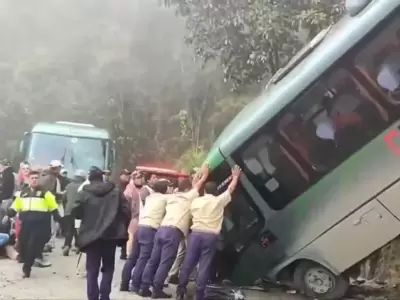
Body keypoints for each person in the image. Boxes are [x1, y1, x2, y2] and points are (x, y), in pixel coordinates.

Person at [139, 165, 209, 298]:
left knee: (153, 260)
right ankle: (157, 289)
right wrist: (204, 175)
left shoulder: (171, 196)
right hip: (172, 232)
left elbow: (193, 186)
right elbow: (197, 186)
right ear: (188, 190)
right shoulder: (188, 198)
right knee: (165, 262)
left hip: (161, 230)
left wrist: (194, 178)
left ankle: (144, 286)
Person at [176, 166, 241, 300]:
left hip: (195, 235)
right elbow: (230, 189)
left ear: (204, 191)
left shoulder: (196, 201)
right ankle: (199, 295)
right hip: (210, 237)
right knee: (204, 265)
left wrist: (202, 175)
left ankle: (180, 291)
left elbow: (194, 188)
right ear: (216, 191)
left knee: (188, 263)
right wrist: (235, 177)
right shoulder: (218, 201)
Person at [71, 166, 130, 300]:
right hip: (111, 235)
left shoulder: (84, 193)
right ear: (102, 177)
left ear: (89, 179)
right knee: (108, 267)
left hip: (91, 237)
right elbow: (126, 211)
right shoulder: (116, 192)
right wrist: (120, 226)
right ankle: (105, 295)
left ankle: (92, 297)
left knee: (92, 270)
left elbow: (75, 212)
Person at [3, 169, 61, 278]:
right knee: (23, 245)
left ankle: (27, 267)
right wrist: (8, 215)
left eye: (36, 178)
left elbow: (54, 209)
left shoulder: (46, 194)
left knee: (32, 246)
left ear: (40, 179)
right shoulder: (23, 193)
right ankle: (26, 261)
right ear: (28, 180)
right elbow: (16, 207)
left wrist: (61, 221)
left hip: (40, 225)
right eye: (32, 178)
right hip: (26, 224)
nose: (34, 180)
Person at [120, 179, 170, 294]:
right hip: (150, 230)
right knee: (144, 258)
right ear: (165, 189)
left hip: (140, 227)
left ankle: (124, 283)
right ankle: (136, 285)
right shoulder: (165, 199)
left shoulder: (149, 197)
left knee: (133, 257)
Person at [40, 160, 64, 252]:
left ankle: (48, 243)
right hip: (52, 203)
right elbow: (52, 192)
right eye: (59, 167)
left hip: (46, 204)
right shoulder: (52, 178)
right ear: (56, 168)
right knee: (53, 224)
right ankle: (49, 244)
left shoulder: (44, 176)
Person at [62, 169, 87, 256]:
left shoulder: (69, 186)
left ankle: (67, 245)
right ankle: (77, 246)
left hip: (68, 211)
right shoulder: (84, 187)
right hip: (79, 212)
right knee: (78, 229)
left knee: (69, 229)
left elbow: (64, 198)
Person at [123, 171, 144, 257]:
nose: (141, 180)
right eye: (138, 178)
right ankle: (129, 254)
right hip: (133, 217)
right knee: (131, 236)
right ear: (134, 179)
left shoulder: (142, 188)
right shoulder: (130, 189)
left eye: (141, 177)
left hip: (140, 216)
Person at [118, 169, 131, 260]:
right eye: (125, 175)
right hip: (121, 213)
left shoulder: (130, 186)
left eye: (128, 175)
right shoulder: (118, 187)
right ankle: (123, 251)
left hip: (128, 212)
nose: (127, 176)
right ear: (121, 176)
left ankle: (124, 252)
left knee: (127, 232)